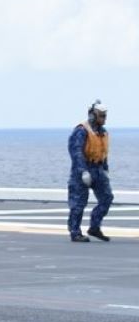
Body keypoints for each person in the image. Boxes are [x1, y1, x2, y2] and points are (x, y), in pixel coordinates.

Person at [68, 100, 113, 242]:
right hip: (83, 169)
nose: (104, 119)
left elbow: (103, 151)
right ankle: (75, 232)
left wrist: (105, 169)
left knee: (107, 198)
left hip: (98, 169)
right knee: (78, 202)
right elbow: (76, 152)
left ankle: (94, 227)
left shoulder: (102, 132)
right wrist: (83, 171)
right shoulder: (81, 131)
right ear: (93, 115)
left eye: (105, 116)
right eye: (101, 116)